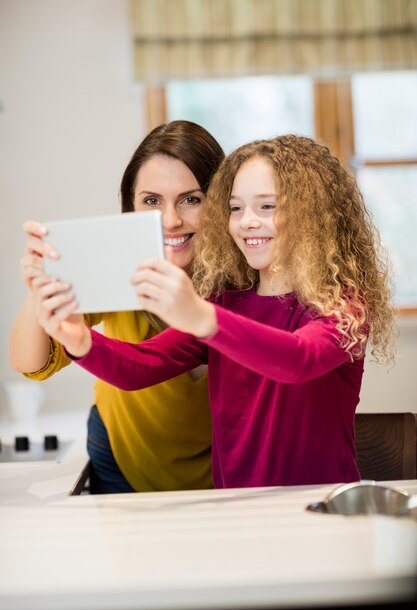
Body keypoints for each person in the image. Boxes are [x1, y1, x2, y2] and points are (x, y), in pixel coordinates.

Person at [28, 134, 397, 488]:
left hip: (320, 509)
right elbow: (140, 367)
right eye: (236, 208)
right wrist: (77, 339)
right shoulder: (225, 302)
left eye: (267, 206)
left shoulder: (344, 307)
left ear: (313, 215)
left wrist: (203, 319)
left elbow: (299, 359)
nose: (247, 221)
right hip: (235, 512)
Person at [8, 120, 225, 494]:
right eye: (151, 201)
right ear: (130, 207)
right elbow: (30, 363)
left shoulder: (244, 282)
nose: (171, 220)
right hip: (124, 457)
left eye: (192, 199)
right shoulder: (112, 268)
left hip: (223, 464)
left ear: (221, 203)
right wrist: (37, 286)